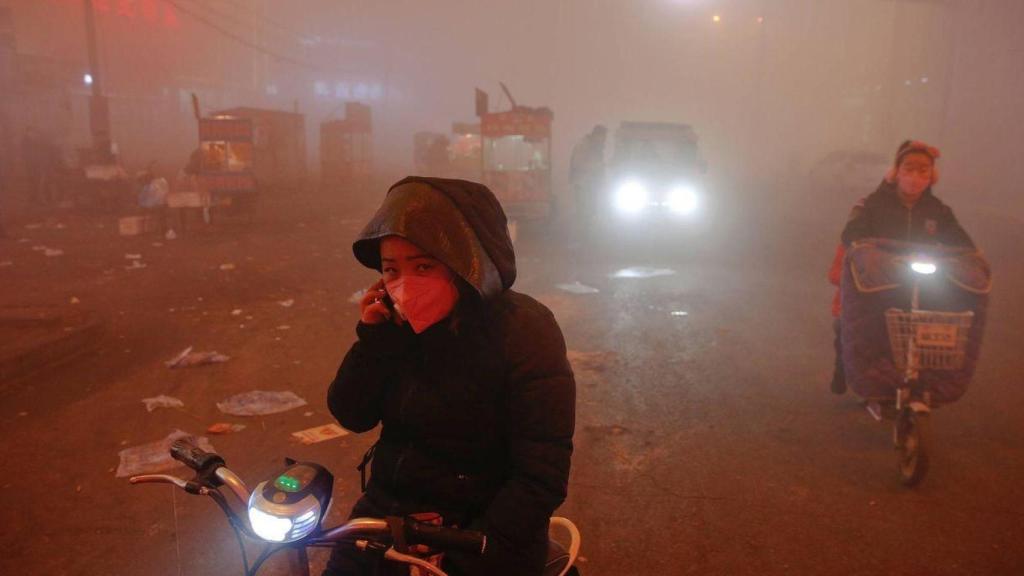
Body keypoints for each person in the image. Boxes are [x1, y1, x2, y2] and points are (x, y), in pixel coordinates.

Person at [325, 177, 576, 576]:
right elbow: (352, 414)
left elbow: (541, 475)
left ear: (467, 265)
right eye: (392, 270)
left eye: (423, 266)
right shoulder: (395, 328)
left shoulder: (525, 331)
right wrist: (373, 340)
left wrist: (469, 549)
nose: (405, 285)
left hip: (482, 534)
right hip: (387, 517)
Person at [828, 139, 975, 394]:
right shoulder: (872, 204)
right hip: (878, 279)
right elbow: (851, 233)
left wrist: (969, 257)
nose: (915, 177)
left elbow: (962, 242)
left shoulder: (938, 211)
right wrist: (867, 249)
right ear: (896, 171)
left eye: (923, 171)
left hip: (921, 279)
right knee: (848, 322)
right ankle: (844, 366)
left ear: (932, 177)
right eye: (909, 169)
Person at [568, 125, 606, 236]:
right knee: (584, 211)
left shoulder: (596, 146)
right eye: (603, 137)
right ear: (597, 135)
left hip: (591, 184)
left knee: (590, 210)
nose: (604, 140)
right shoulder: (583, 145)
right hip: (583, 184)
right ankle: (582, 235)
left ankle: (587, 234)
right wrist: (596, 166)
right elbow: (577, 164)